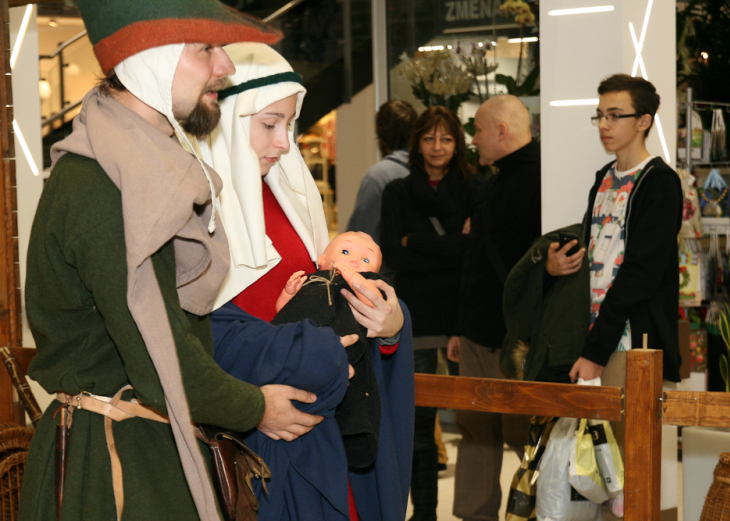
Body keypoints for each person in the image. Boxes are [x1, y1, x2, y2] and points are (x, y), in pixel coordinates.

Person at [17, 2, 332, 521]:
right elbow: (161, 362)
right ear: (152, 59)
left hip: (143, 448)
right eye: (205, 49)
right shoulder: (104, 187)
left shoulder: (130, 170)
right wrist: (257, 407)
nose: (225, 66)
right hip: (115, 470)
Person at [200, 43, 413, 521]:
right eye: (269, 124)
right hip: (253, 444)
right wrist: (252, 405)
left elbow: (334, 299)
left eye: (289, 125)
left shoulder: (296, 199)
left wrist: (390, 320)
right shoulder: (196, 207)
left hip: (324, 432)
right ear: (229, 117)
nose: (284, 144)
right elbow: (189, 337)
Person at [381, 105, 486, 521]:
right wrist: (451, 249)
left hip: (466, 318)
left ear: (457, 143)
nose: (437, 147)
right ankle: (422, 512)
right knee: (418, 424)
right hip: (416, 320)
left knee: (476, 423)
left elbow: (474, 252)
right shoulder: (397, 192)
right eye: (429, 138)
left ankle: (476, 510)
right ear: (416, 144)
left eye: (446, 138)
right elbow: (394, 255)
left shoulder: (474, 188)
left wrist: (417, 241)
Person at [545, 74, 682, 384]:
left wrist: (596, 350)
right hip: (590, 335)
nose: (604, 125)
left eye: (615, 116)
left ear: (643, 121)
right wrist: (555, 265)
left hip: (631, 342)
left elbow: (641, 273)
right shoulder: (604, 177)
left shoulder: (658, 182)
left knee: (627, 433)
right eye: (600, 116)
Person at [445, 94, 540, 521]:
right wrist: (459, 328)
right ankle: (473, 515)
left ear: (501, 131)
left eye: (478, 131)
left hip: (515, 340)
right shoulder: (494, 181)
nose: (473, 141)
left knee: (524, 435)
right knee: (475, 431)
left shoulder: (540, 181)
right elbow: (477, 262)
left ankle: (531, 513)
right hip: (476, 335)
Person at [273, 231, 407, 470]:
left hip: (343, 355)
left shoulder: (363, 290)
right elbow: (285, 315)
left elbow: (375, 316)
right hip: (296, 350)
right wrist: (289, 294)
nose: (355, 260)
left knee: (352, 401)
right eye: (345, 252)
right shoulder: (312, 281)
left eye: (366, 260)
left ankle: (354, 438)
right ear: (321, 260)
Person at [347, 100, 417, 253]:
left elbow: (359, 238)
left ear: (380, 132)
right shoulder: (427, 171)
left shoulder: (378, 177)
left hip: (387, 272)